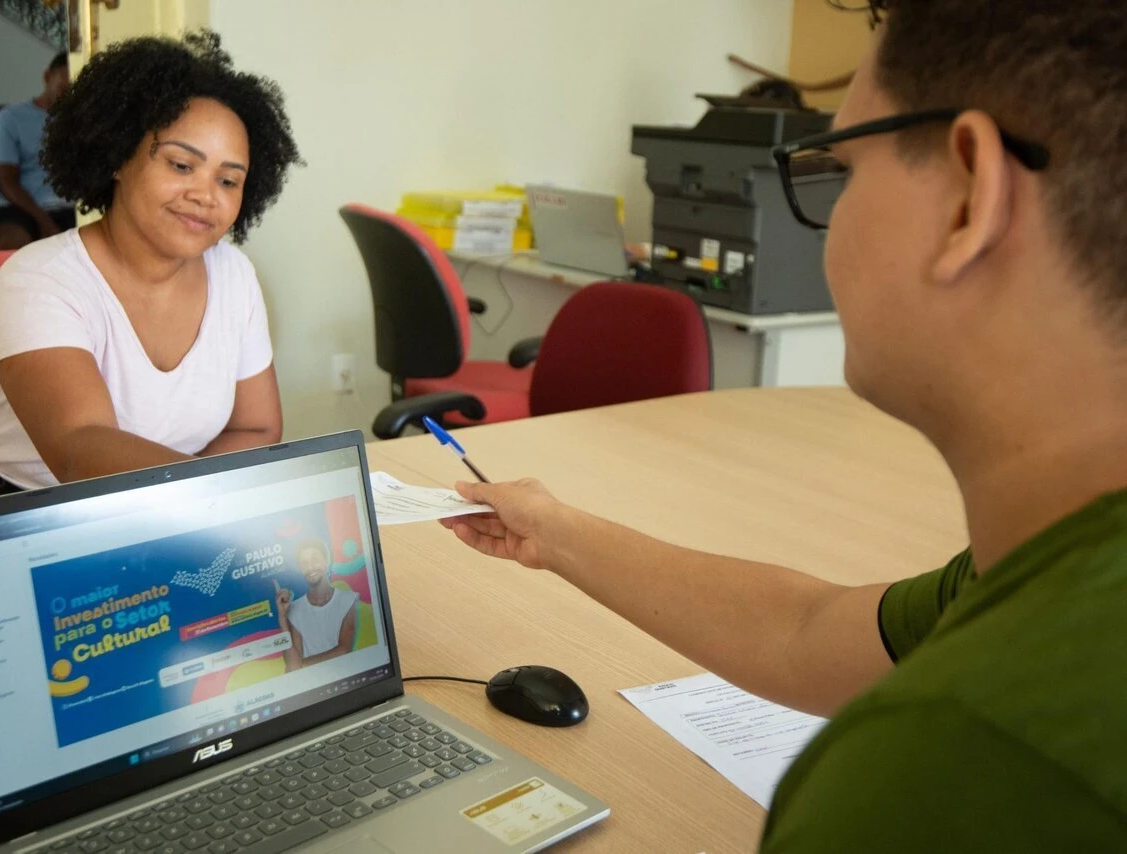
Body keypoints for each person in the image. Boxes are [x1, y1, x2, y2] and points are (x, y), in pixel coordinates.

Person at [444, 1, 1127, 851]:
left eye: (841, 171)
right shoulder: (1045, 576)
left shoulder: (949, 759)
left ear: (967, 199)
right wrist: (553, 529)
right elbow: (807, 631)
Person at [0, 32, 300, 501]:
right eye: (181, 165)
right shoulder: (38, 281)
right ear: (118, 157)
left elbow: (256, 428)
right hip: (25, 519)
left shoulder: (234, 274)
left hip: (176, 510)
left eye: (228, 180)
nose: (206, 195)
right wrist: (213, 498)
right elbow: (80, 450)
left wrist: (199, 506)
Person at [0, 52, 75, 250]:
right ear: (47, 77)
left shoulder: (82, 120)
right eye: (63, 87)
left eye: (74, 89)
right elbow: (7, 182)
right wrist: (45, 223)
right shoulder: (10, 118)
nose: (68, 94)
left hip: (71, 210)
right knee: (12, 246)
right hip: (18, 208)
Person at [275, 539, 358, 671]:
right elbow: (292, 665)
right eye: (304, 563)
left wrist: (302, 664)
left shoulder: (347, 599)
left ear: (326, 561)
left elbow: (344, 650)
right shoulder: (294, 610)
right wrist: (282, 617)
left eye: (315, 559)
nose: (310, 567)